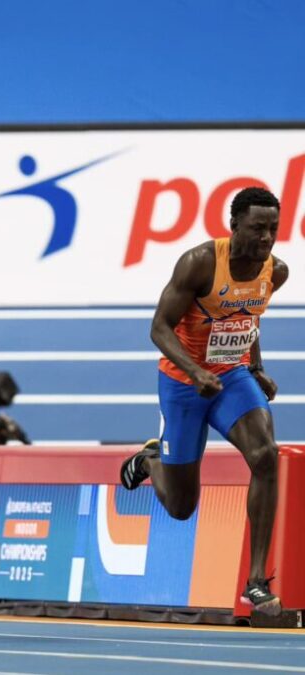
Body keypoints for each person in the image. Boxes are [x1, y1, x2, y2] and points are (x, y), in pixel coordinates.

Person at [119, 186, 288, 616]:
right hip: (183, 383)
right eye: (257, 228)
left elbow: (247, 319)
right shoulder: (200, 263)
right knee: (180, 507)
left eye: (273, 228)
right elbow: (159, 327)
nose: (266, 238)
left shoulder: (276, 271)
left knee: (266, 455)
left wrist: (255, 367)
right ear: (234, 226)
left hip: (231, 377)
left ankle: (254, 581)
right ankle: (151, 459)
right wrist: (195, 372)